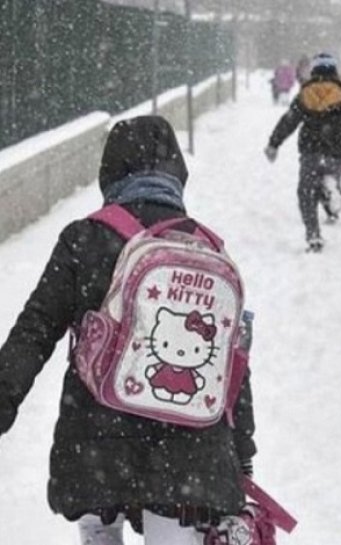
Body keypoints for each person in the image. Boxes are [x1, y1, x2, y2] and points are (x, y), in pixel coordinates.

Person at [0, 115, 257, 543]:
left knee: (100, 525)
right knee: (174, 527)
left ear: (110, 172)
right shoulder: (208, 248)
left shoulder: (84, 238)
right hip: (188, 447)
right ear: (177, 174)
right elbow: (233, 365)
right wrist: (241, 454)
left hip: (97, 436)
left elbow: (37, 327)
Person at [265, 53, 341, 253]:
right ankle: (333, 188)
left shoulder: (305, 95)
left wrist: (274, 144)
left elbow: (289, 121)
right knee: (328, 177)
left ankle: (313, 235)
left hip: (311, 152)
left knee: (306, 193)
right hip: (337, 153)